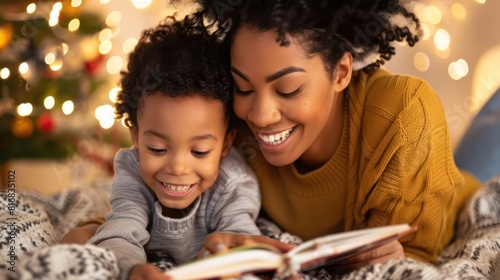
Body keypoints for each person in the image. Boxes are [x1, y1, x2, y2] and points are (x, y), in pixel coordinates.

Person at [195, 0, 482, 273]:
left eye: (288, 89)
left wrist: (401, 258)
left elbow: (416, 258)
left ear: (341, 73)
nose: (259, 115)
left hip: (467, 200)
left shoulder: (403, 112)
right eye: (243, 88)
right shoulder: (231, 126)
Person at [61, 14, 272, 280]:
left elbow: (243, 239)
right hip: (136, 247)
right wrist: (133, 270)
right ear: (136, 137)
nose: (178, 167)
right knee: (76, 240)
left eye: (200, 152)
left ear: (226, 143)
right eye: (158, 149)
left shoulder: (233, 184)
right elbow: (122, 232)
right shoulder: (133, 169)